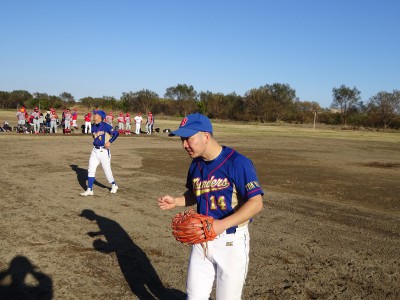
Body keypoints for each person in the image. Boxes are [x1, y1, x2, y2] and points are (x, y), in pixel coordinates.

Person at [157, 113, 264, 299]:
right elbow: (195, 193)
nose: (184, 145)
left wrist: (220, 225)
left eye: (188, 138)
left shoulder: (238, 163)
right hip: (201, 239)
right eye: (182, 139)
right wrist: (177, 201)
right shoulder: (195, 164)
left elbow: (256, 203)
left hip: (231, 241)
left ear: (206, 136)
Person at [80, 110, 119, 196]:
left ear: (100, 117)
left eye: (96, 114)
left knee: (107, 170)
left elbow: (116, 133)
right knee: (91, 170)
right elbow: (94, 136)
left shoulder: (106, 126)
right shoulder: (94, 126)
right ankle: (89, 189)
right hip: (94, 151)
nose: (94, 116)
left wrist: (110, 141)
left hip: (103, 151)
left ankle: (114, 185)